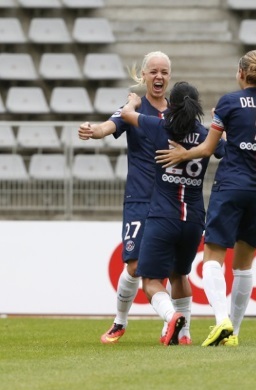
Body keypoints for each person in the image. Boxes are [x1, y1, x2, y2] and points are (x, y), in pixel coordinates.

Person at [155, 50, 256, 347]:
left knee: (212, 258)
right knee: (244, 265)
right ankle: (235, 331)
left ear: (241, 73)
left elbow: (207, 148)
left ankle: (222, 322)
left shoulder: (229, 103)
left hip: (231, 186)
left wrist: (183, 153)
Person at [77, 51, 193, 344]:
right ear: (143, 75)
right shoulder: (133, 108)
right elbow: (110, 125)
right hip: (140, 199)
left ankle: (182, 331)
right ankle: (120, 322)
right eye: (153, 71)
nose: (159, 77)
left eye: (164, 72)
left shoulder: (177, 113)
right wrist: (95, 131)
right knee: (133, 266)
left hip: (172, 201)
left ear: (169, 76)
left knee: (177, 271)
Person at [119, 82, 224, 345]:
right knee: (180, 274)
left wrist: (133, 101)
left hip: (163, 215)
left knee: (151, 280)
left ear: (171, 105)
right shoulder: (204, 135)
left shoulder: (160, 127)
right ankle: (185, 334)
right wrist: (220, 123)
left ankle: (171, 316)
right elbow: (223, 148)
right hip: (194, 218)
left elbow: (126, 115)